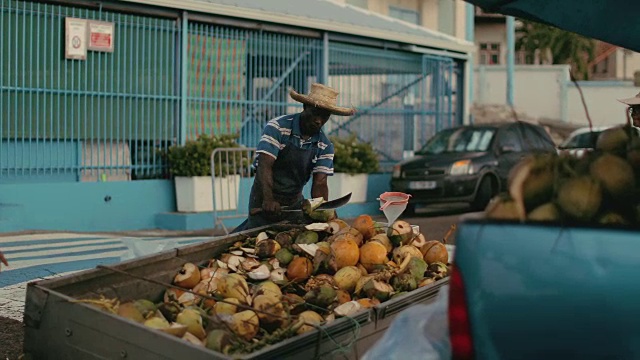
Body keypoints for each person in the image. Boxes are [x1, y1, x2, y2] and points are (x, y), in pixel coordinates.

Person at [233, 83, 355, 232]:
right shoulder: (277, 127)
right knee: (257, 240)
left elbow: (320, 182)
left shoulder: (325, 145)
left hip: (294, 203)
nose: (319, 120)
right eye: (315, 113)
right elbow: (265, 165)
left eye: (325, 116)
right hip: (264, 199)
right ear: (305, 107)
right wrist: (268, 199)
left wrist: (324, 209)